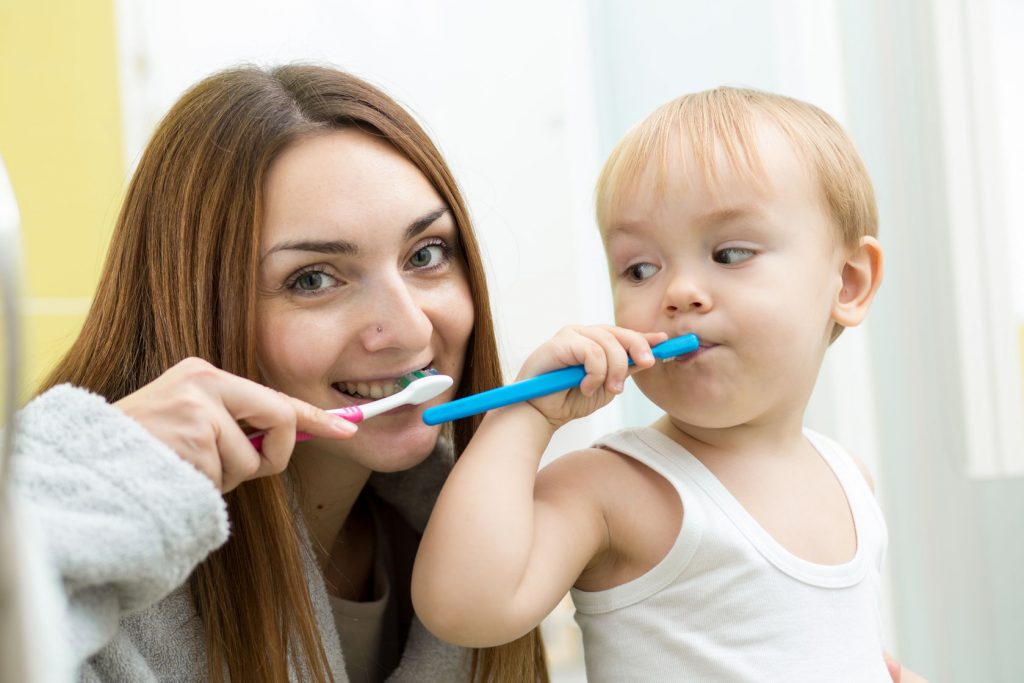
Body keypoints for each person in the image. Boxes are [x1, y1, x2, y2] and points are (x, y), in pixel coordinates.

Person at [8, 64, 546, 682]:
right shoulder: (107, 567)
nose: (411, 330)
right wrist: (97, 472)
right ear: (199, 310)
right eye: (313, 279)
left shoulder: (487, 545)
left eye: (426, 255)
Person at [413, 87, 924, 681]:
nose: (678, 292)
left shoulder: (849, 479)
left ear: (848, 284)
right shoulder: (613, 488)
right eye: (641, 269)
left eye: (730, 253)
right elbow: (463, 608)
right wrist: (526, 416)